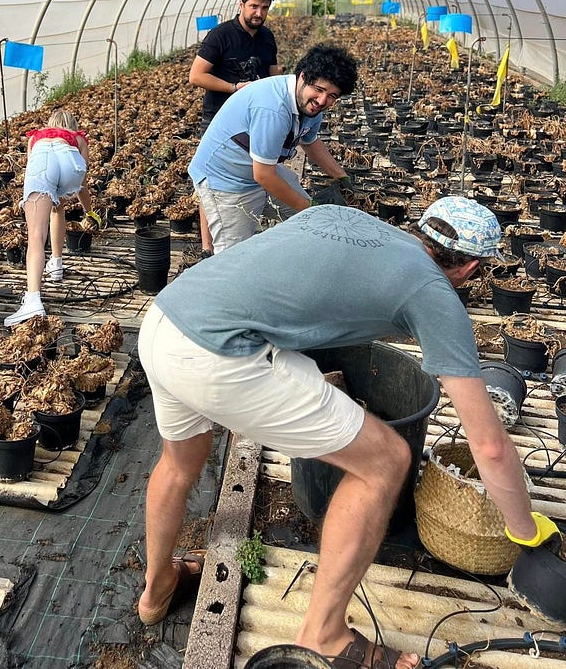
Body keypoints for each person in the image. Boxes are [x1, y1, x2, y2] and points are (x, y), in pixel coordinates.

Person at [136, 196, 559, 666]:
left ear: (422, 229)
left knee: (178, 465)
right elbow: (490, 446)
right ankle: (324, 634)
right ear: (470, 268)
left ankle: (157, 590)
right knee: (387, 460)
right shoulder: (433, 293)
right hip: (218, 357)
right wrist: (525, 532)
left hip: (166, 320)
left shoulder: (342, 217)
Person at [188, 42, 358, 252]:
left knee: (308, 219)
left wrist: (341, 177)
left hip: (257, 168)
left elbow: (310, 141)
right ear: (303, 77)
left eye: (332, 96)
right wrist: (309, 208)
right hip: (227, 179)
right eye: (319, 89)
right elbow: (264, 176)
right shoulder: (273, 108)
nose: (322, 100)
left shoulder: (310, 106)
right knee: (232, 257)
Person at [189, 0, 281, 257]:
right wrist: (234, 88)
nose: (259, 13)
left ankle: (242, 228)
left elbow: (274, 73)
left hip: (255, 124)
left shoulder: (267, 38)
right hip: (219, 122)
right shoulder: (221, 35)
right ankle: (208, 247)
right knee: (212, 183)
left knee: (252, 177)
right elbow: (196, 75)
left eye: (264, 7)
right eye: (253, 6)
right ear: (241, 5)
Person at [6, 108, 100, 327]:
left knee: (37, 236)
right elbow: (83, 184)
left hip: (44, 162)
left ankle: (32, 299)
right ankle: (56, 263)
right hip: (70, 165)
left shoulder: (36, 137)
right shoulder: (78, 138)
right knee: (58, 208)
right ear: (73, 125)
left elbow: (36, 166)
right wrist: (89, 212)